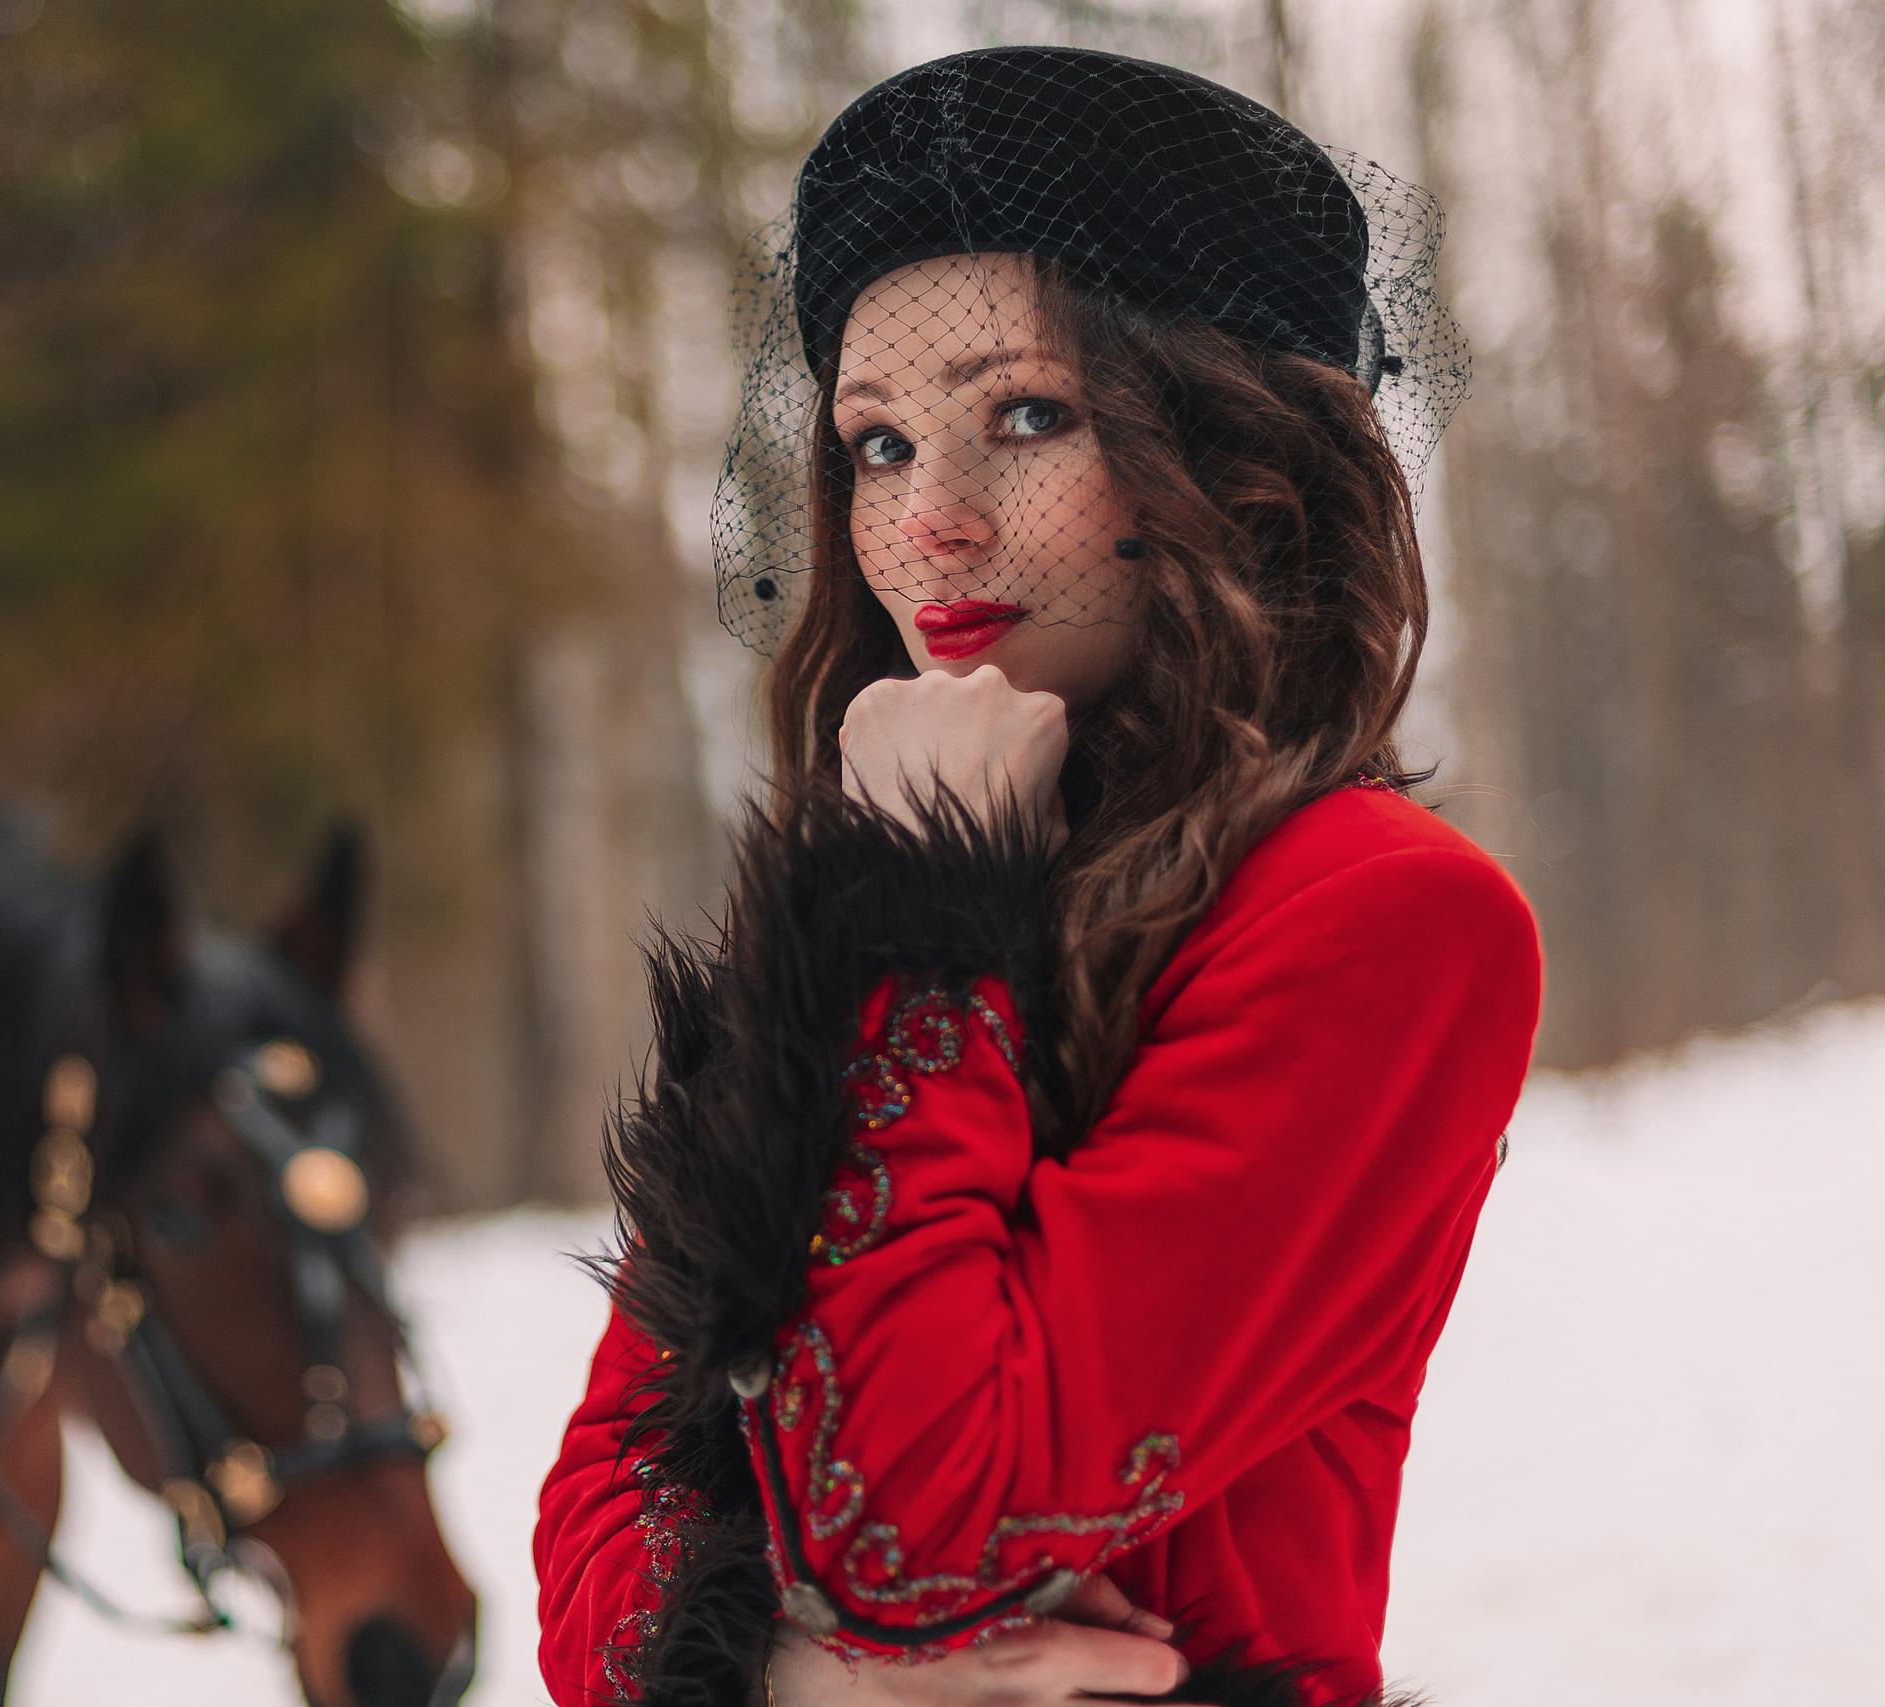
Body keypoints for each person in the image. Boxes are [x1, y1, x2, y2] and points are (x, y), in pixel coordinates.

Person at [532, 46, 1538, 1707]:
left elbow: (922, 1520)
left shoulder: (1387, 917)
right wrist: (805, 1688)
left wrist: (926, 921)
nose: (931, 523)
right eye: (875, 445)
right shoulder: (843, 919)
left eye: (1024, 416)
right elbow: (595, 1527)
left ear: (1225, 448)